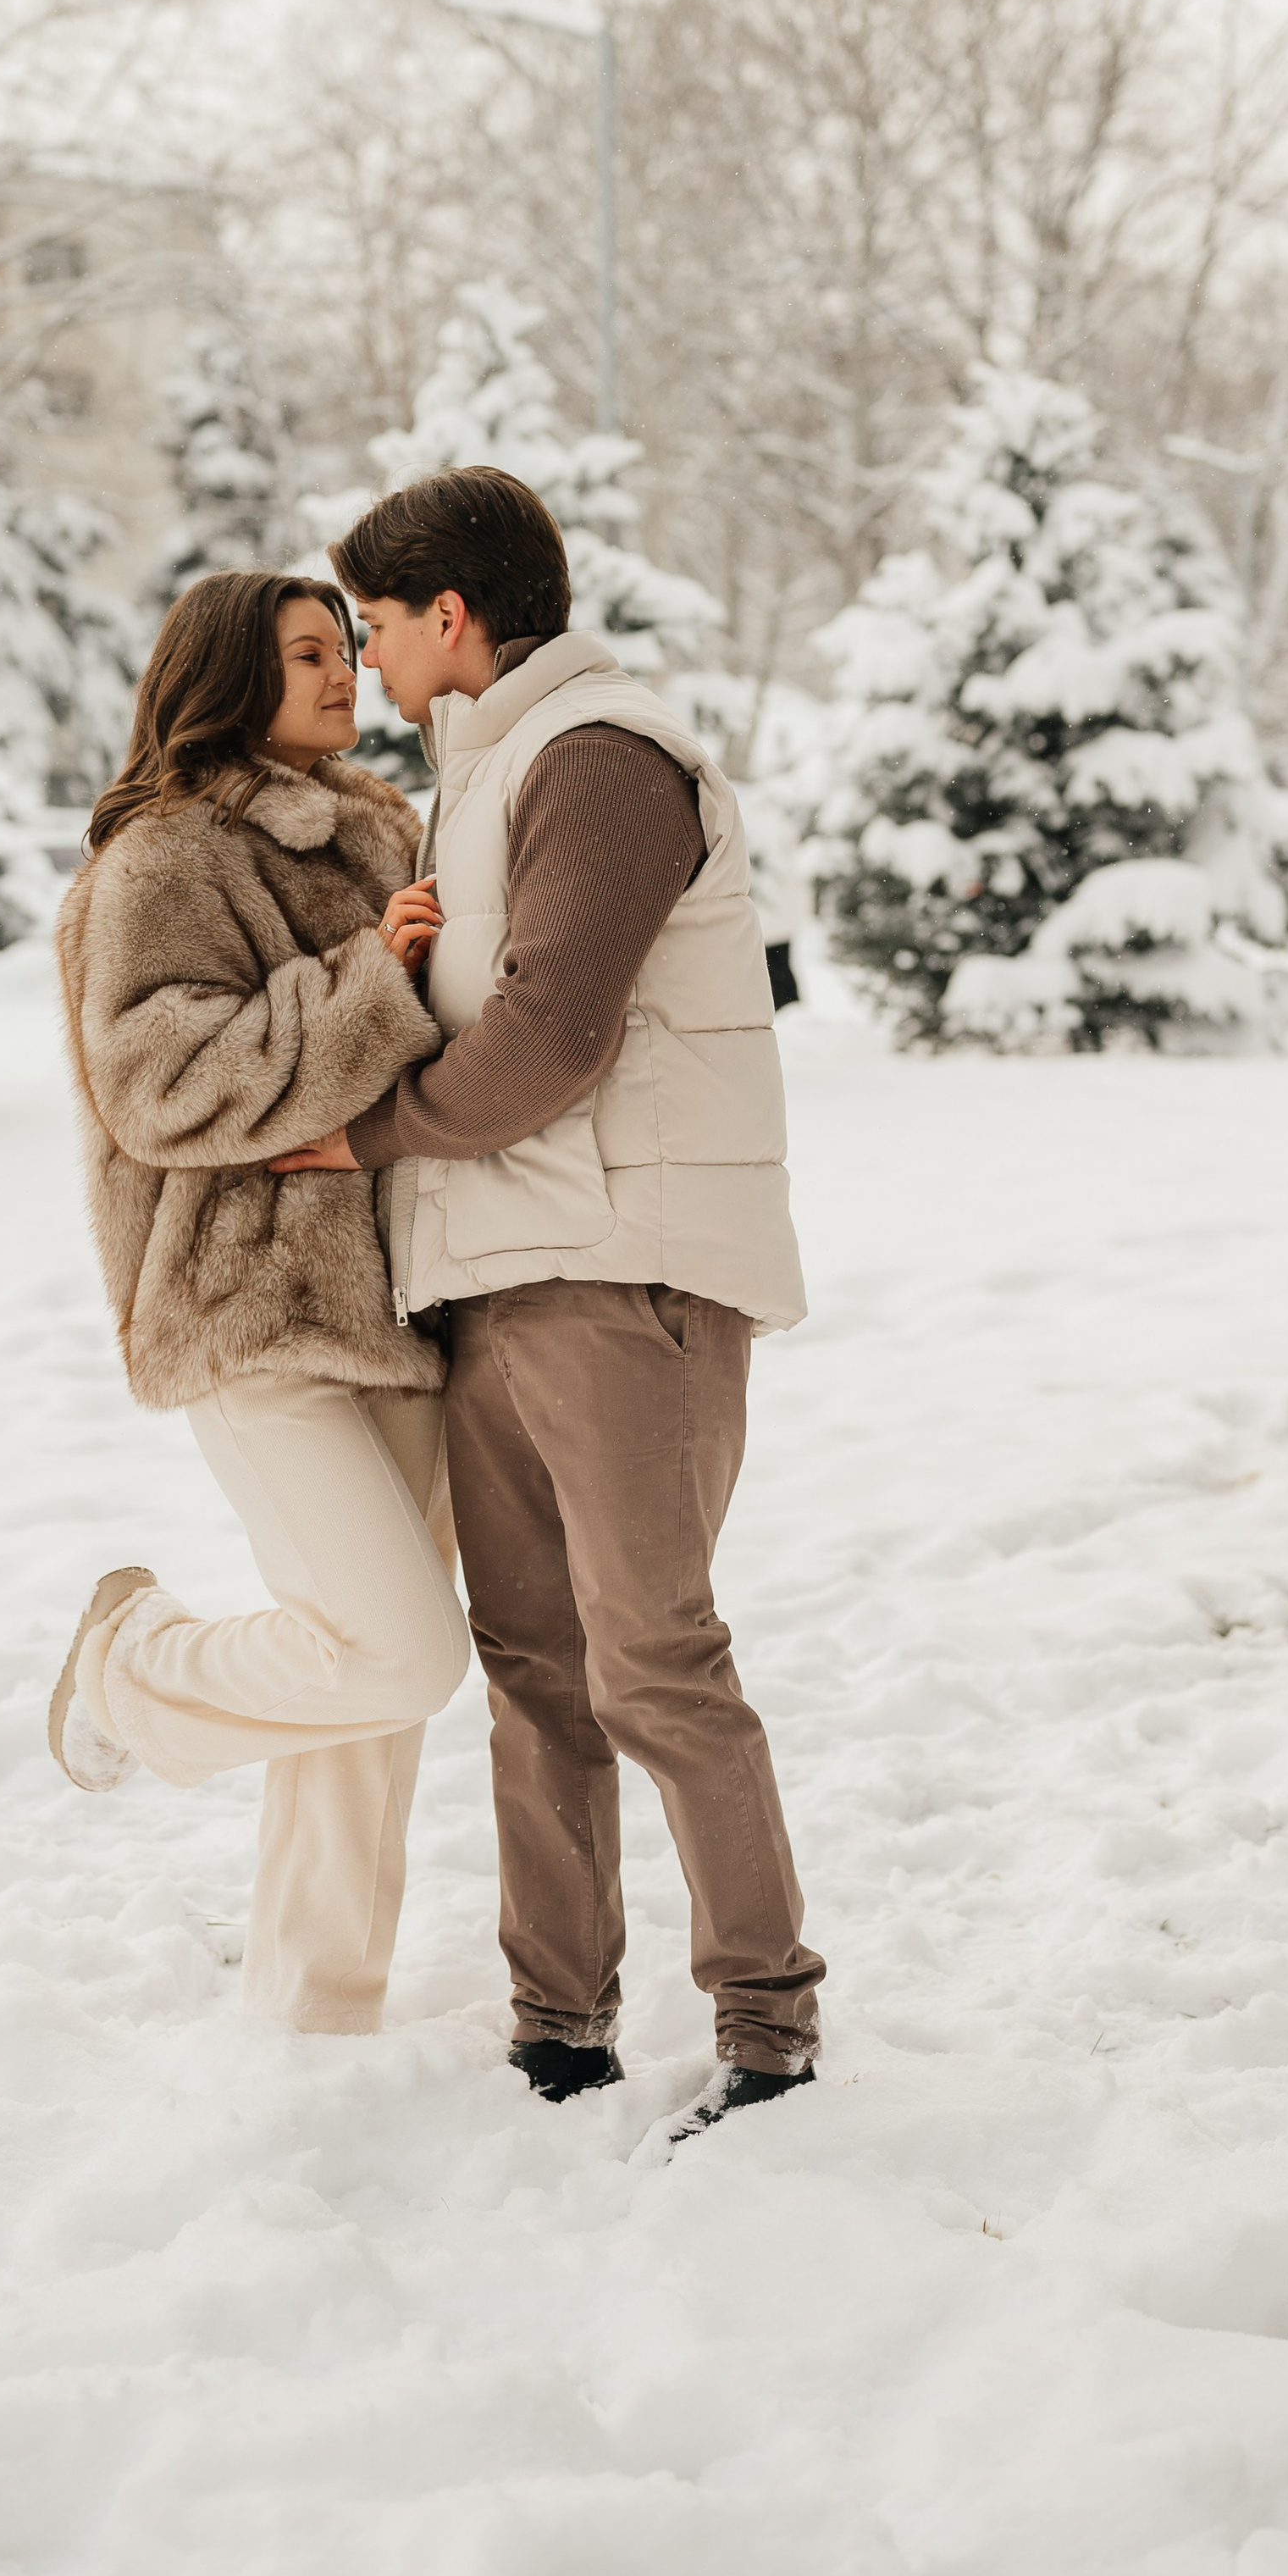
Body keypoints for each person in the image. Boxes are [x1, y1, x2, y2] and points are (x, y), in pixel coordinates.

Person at [269, 468, 825, 2138]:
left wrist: (353, 1132)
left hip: (618, 1274)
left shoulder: (601, 757)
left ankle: (767, 2032)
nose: (361, 660)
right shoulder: (482, 770)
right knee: (534, 1671)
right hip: (493, 1278)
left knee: (651, 1656)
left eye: (371, 624)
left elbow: (551, 1036)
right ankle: (558, 2026)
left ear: (448, 614)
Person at [46, 569, 465, 2038]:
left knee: (367, 1702)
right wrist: (369, 981)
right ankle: (128, 1666)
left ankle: (317, 2016)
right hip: (250, 1306)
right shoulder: (166, 858)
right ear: (226, 674)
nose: (344, 673)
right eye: (305, 654)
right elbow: (157, 1085)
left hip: (408, 1304)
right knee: (399, 1649)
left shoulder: (386, 831)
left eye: (346, 648)